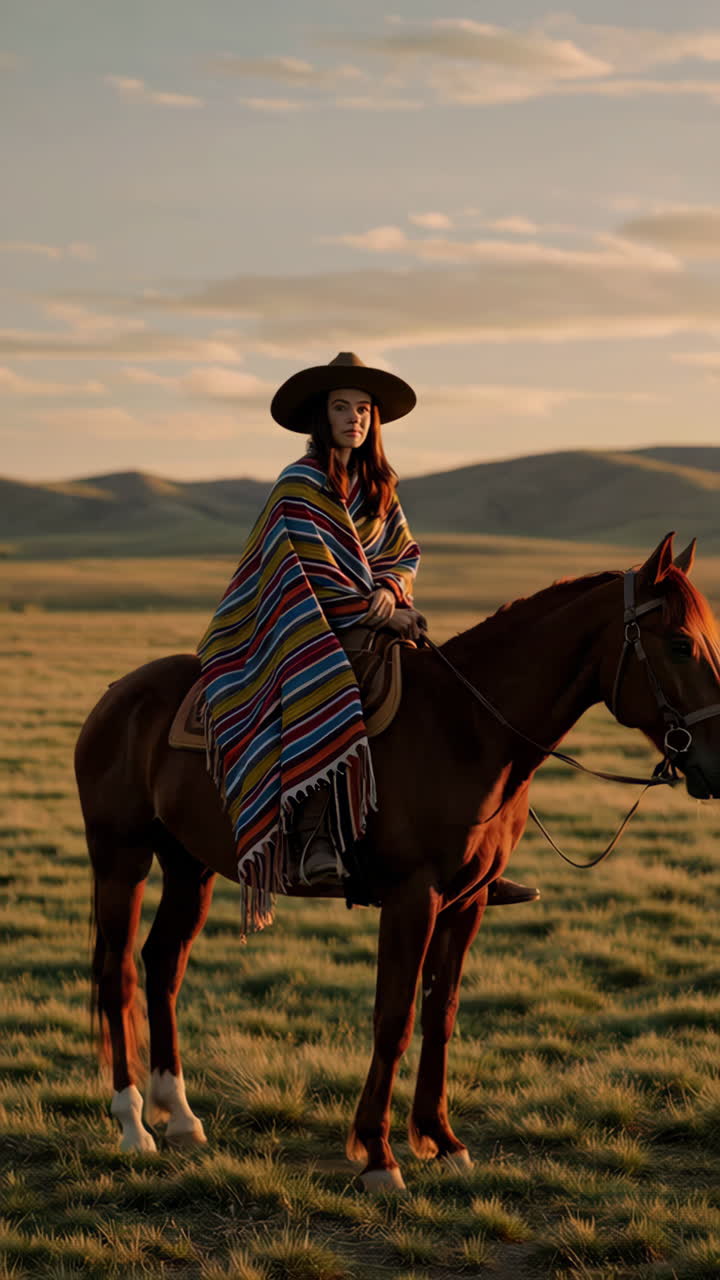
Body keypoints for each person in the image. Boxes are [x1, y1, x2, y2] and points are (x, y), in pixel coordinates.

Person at [198, 353, 537, 934]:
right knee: (332, 680)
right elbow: (305, 568)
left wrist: (388, 591)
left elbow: (403, 553)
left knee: (448, 691)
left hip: (375, 617)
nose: (353, 418)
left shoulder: (379, 486)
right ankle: (312, 836)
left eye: (362, 409)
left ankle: (470, 852)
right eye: (340, 407)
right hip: (296, 622)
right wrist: (370, 609)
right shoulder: (299, 484)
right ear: (320, 417)